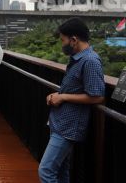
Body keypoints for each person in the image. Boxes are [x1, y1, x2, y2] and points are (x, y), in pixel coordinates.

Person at [38, 18, 105, 183]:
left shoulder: (90, 61)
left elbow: (97, 96)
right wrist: (57, 96)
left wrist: (63, 97)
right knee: (60, 170)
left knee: (45, 171)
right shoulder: (78, 58)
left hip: (69, 126)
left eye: (63, 40)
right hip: (60, 122)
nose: (62, 44)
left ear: (74, 40)